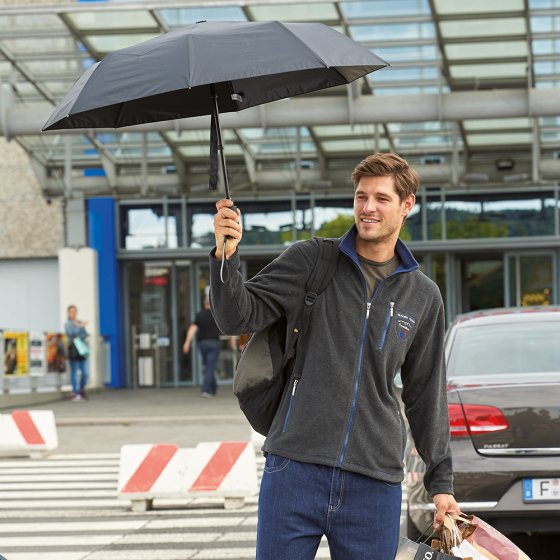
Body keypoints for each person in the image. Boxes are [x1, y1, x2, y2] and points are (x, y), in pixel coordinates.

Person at [210, 153, 460, 560]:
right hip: (295, 467)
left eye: (381, 198)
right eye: (361, 197)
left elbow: (426, 393)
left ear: (407, 204)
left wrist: (441, 483)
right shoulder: (311, 260)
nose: (368, 208)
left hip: (374, 481)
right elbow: (236, 315)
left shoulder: (422, 296)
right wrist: (226, 258)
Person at [183, 297, 222, 398]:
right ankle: (206, 390)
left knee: (209, 366)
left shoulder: (199, 315)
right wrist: (231, 342)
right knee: (210, 366)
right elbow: (228, 328)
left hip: (203, 344)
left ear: (204, 304)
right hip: (214, 343)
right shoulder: (216, 315)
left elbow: (193, 329)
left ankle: (213, 388)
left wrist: (187, 342)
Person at [65, 305, 89, 402]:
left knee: (85, 373)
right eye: (71, 312)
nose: (73, 314)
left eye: (74, 312)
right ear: (68, 313)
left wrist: (80, 327)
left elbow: (84, 334)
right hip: (73, 351)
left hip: (82, 350)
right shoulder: (68, 324)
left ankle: (81, 390)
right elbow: (71, 334)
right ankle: (74, 392)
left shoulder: (79, 322)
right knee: (74, 372)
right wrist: (80, 327)